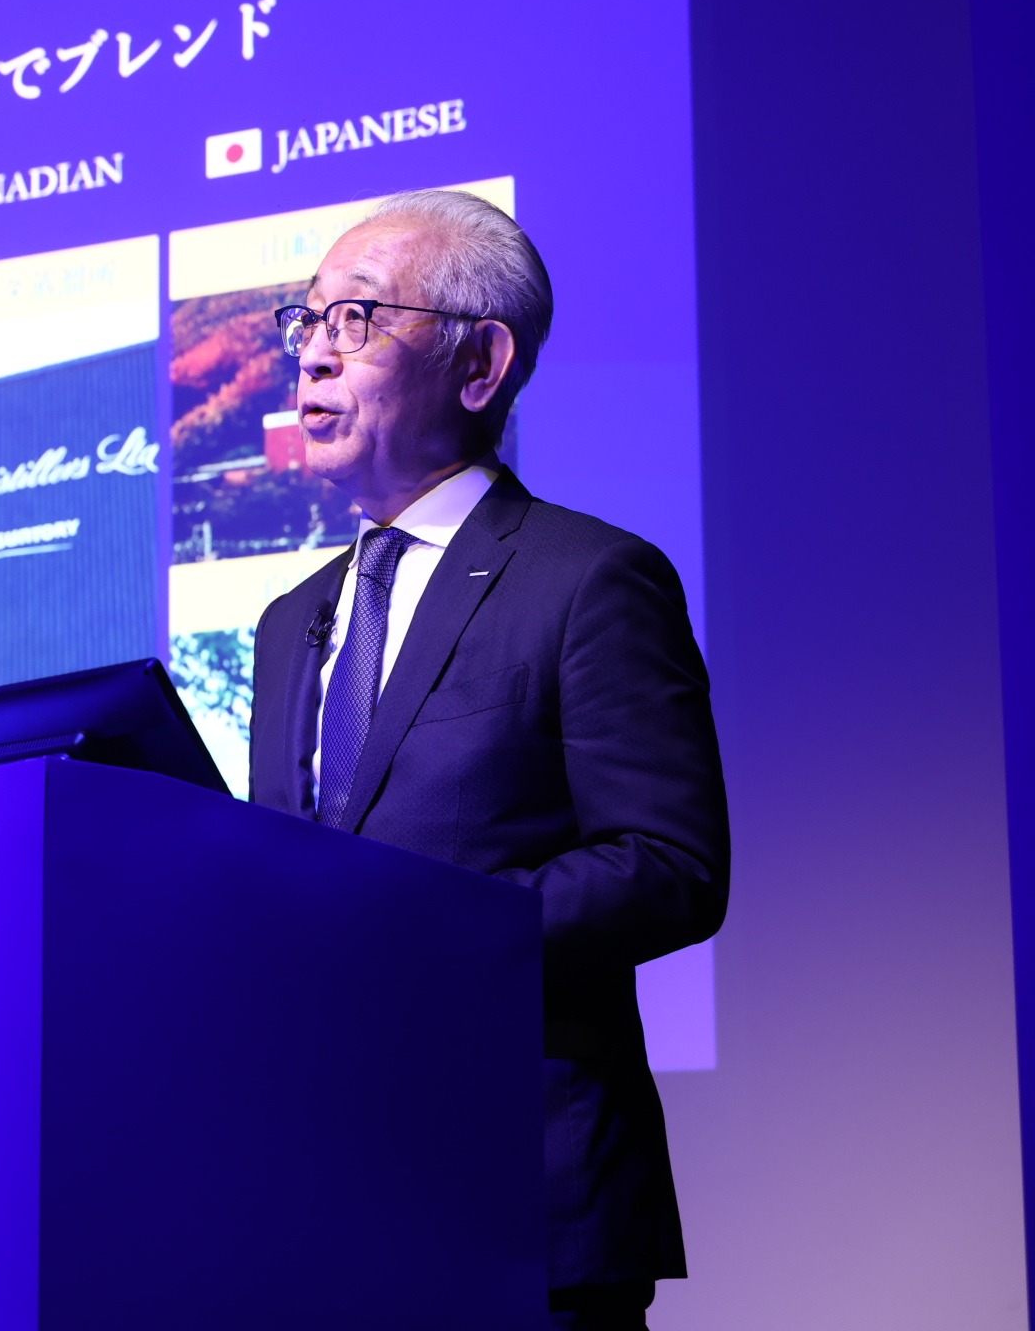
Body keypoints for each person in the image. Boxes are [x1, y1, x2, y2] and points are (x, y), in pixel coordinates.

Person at [245, 189, 729, 1331]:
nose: (313, 351)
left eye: (358, 317)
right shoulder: (289, 619)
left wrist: (427, 928)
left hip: (521, 1199)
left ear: (481, 364)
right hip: (322, 1204)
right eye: (305, 318)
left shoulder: (588, 578)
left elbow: (669, 864)